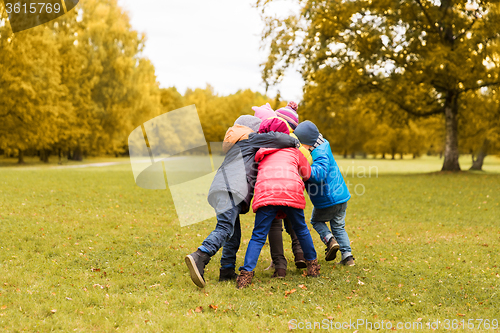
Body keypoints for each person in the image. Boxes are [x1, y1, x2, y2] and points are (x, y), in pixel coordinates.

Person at [185, 115, 300, 288]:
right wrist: (293, 141)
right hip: (231, 189)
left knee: (233, 233)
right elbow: (276, 137)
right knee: (224, 228)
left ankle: (227, 271)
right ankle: (200, 255)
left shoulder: (235, 144)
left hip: (220, 189)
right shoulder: (250, 138)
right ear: (251, 129)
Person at [236, 118, 320, 289]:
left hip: (267, 193)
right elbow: (307, 173)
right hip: (291, 191)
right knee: (301, 229)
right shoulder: (294, 152)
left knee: (258, 235)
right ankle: (312, 266)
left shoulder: (260, 153)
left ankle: (245, 275)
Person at [252, 102, 311, 278]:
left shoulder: (264, 145)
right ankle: (301, 255)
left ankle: (279, 265)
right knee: (297, 225)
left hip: (269, 190)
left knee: (273, 227)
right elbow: (307, 168)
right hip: (292, 187)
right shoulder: (296, 144)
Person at [293, 121, 354, 266]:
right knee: (338, 226)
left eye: (302, 145)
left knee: (316, 221)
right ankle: (348, 257)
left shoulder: (318, 152)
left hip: (327, 198)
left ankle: (329, 240)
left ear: (308, 142)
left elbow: (319, 174)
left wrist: (303, 169)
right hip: (341, 196)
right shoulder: (323, 145)